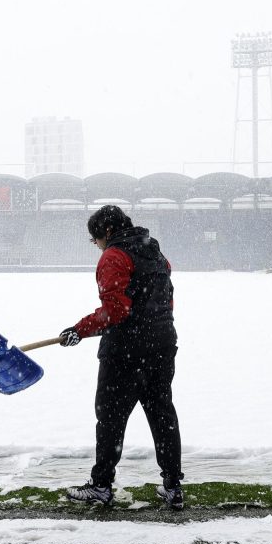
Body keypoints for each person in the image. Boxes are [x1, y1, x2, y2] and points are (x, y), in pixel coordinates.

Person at [59, 205, 184, 509]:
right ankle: (172, 487)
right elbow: (159, 301)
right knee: (161, 414)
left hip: (127, 350)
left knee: (111, 418)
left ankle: (101, 485)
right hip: (162, 343)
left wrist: (80, 330)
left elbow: (116, 310)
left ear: (107, 232)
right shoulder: (155, 252)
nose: (97, 247)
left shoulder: (114, 256)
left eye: (95, 240)